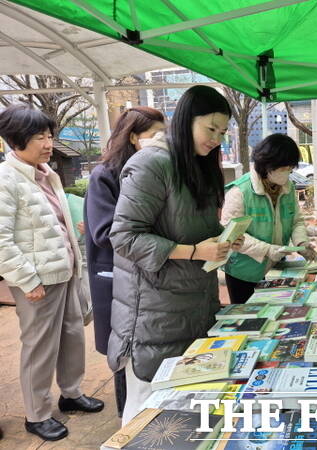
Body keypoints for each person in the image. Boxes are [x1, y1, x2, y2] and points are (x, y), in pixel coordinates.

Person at [107, 86, 243, 425]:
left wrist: (220, 242)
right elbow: (124, 237)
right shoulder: (151, 164)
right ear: (185, 121)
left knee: (181, 409)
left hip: (196, 303)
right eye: (210, 128)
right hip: (154, 311)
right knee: (146, 415)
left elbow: (190, 232)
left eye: (223, 132)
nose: (217, 139)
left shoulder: (197, 165)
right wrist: (197, 250)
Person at [0, 105, 103, 442]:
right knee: (40, 347)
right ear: (17, 141)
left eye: (49, 135)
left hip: (64, 270)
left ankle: (71, 392)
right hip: (37, 281)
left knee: (73, 335)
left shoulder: (45, 172)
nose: (48, 143)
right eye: (39, 137)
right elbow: (1, 239)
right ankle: (37, 413)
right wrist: (27, 279)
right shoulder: (7, 179)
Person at [84, 106, 165, 418]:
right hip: (115, 279)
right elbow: (105, 233)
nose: (163, 141)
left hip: (145, 277)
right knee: (124, 352)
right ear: (133, 137)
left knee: (142, 352)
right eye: (155, 135)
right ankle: (125, 420)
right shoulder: (103, 176)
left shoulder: (154, 171)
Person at [221, 133, 317, 304]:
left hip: (276, 266)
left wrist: (302, 243)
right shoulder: (240, 192)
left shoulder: (287, 187)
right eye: (283, 168)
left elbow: (296, 220)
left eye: (290, 168)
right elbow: (232, 235)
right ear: (267, 165)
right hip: (243, 271)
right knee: (248, 319)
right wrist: (267, 250)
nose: (287, 172)